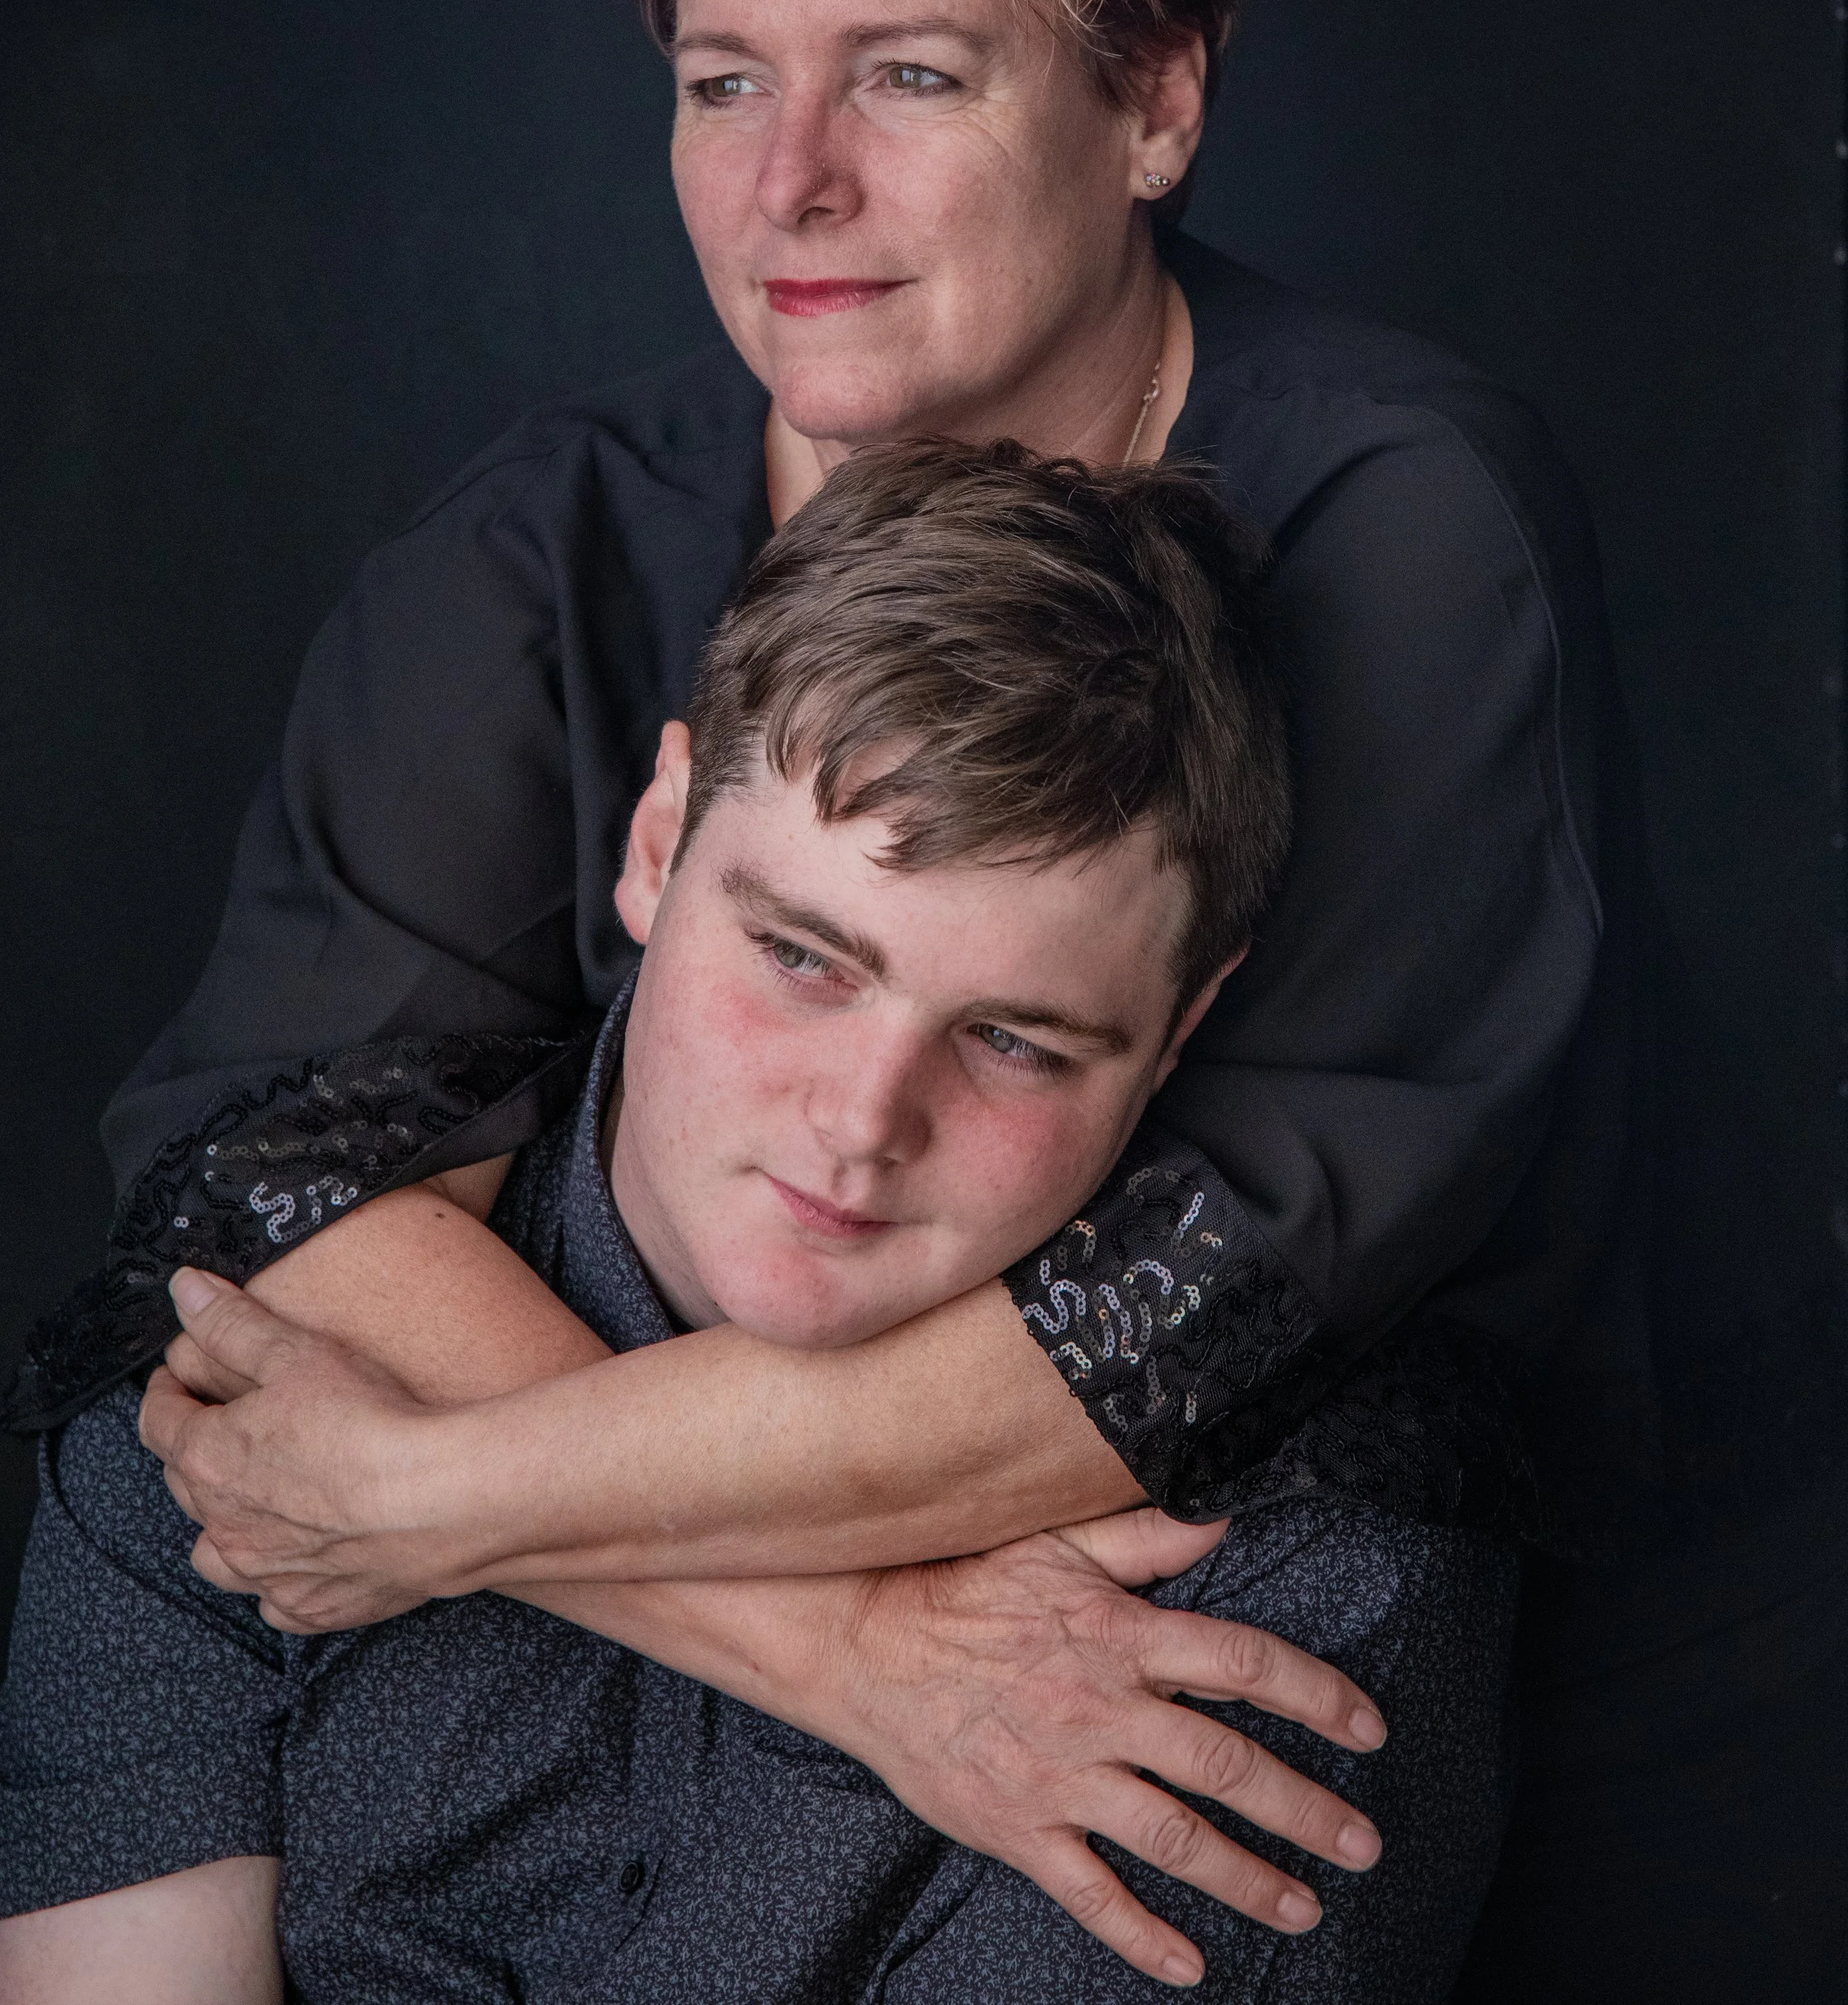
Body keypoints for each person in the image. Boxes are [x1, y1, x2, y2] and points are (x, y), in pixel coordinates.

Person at [7, 0, 1834, 1993]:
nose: (790, 184)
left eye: (910, 71)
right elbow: (277, 1191)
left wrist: (425, 1497)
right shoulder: (529, 558)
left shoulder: (1397, 530)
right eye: (719, 81)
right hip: (794, 1684)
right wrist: (852, 1654)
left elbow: (1182, 1313)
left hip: (1404, 1659)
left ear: (1152, 99)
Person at [0, 446, 1519, 2002]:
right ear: (656, 844)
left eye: (1013, 1041)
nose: (862, 1122)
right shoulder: (257, 1393)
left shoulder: (1275, 1607)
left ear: (1182, 1024)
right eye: (802, 956)